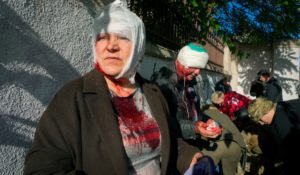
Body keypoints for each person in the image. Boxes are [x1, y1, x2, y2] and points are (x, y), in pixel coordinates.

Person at [24, 1, 208, 174]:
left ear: (138, 46)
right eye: (103, 37)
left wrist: (192, 157)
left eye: (123, 37)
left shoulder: (154, 93)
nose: (111, 46)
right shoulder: (71, 98)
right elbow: (43, 168)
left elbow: (169, 141)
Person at [154, 43, 246, 175]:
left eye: (200, 68)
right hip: (175, 147)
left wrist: (206, 122)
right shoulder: (164, 82)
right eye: (194, 67)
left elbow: (195, 112)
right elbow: (164, 122)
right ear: (182, 62)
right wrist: (195, 127)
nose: (198, 72)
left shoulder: (191, 80)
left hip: (192, 142)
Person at [248, 97, 300, 174]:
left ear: (265, 112)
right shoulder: (280, 106)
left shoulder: (282, 123)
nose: (261, 123)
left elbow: (294, 151)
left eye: (260, 119)